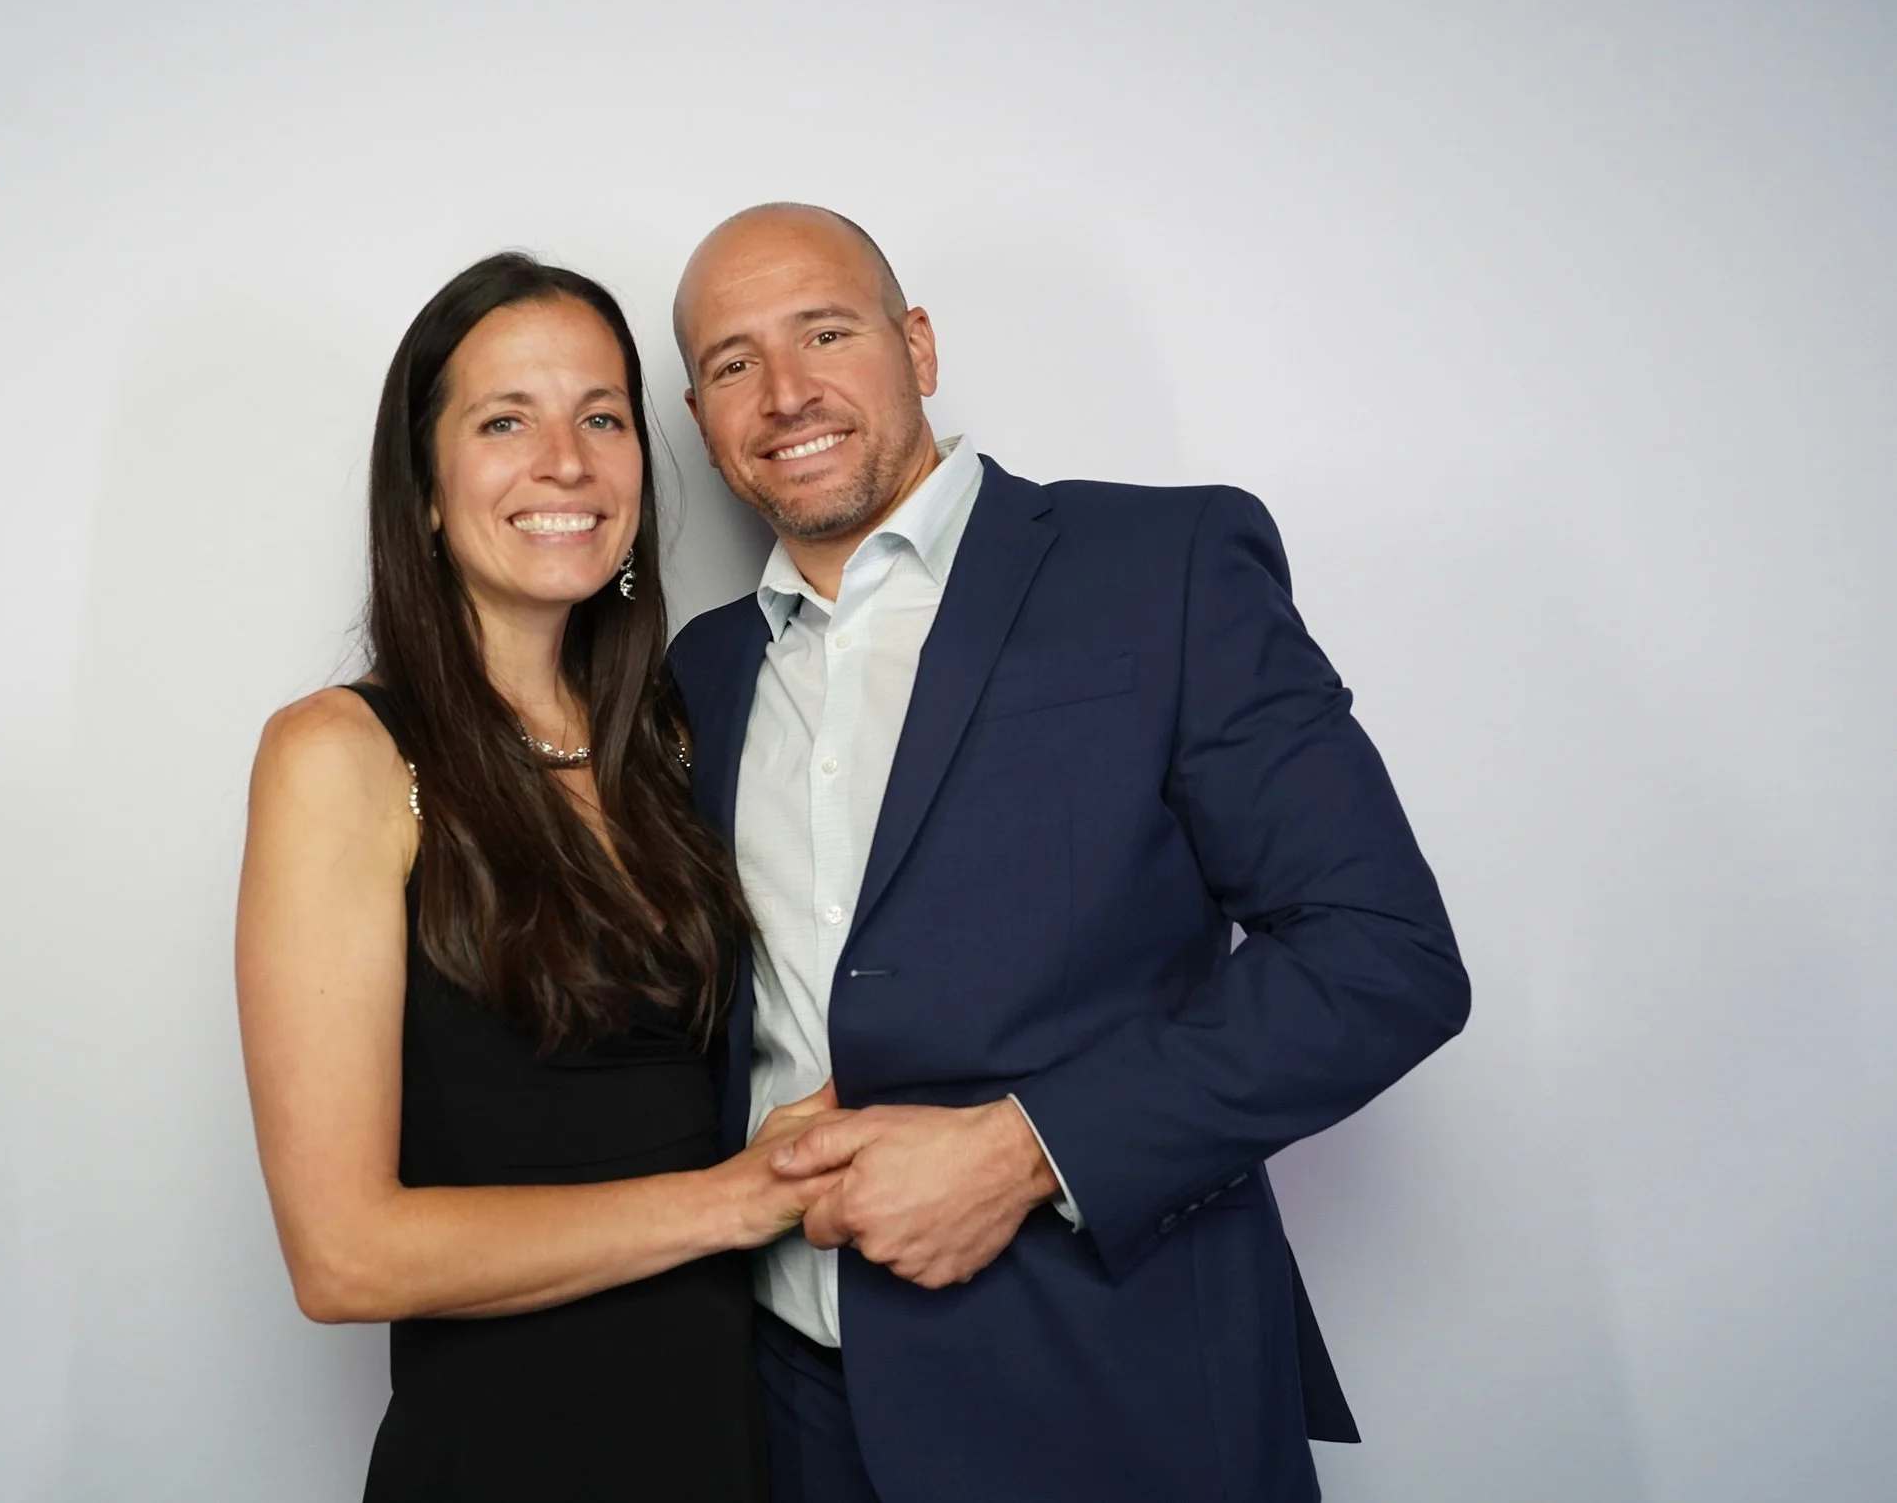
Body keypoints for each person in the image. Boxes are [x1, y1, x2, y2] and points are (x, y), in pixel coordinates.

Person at [663, 204, 1472, 1503]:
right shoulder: (703, 670)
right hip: (787, 1407)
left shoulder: (1166, 564)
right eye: (731, 361)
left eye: (826, 330)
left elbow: (1382, 957)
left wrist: (1023, 1147)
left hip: (1114, 1389)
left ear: (917, 344)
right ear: (700, 415)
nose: (786, 391)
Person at [236, 251, 840, 1501]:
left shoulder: (674, 736)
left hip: (735, 1444)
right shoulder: (340, 755)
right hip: (514, 1454)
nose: (565, 460)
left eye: (601, 416)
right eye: (504, 418)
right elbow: (341, 1255)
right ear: (423, 485)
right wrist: (727, 1203)